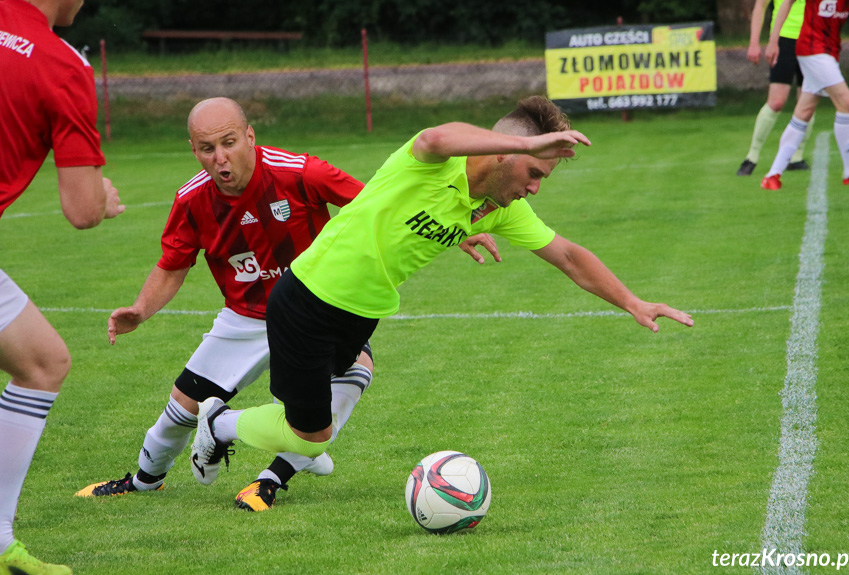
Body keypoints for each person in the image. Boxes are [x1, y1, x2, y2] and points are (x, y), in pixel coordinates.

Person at [187, 96, 694, 483]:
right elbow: (434, 135)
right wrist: (526, 144)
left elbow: (567, 255)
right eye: (535, 171)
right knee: (312, 437)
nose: (536, 186)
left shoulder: (500, 207)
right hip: (309, 300)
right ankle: (220, 423)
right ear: (504, 152)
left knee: (327, 408)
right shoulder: (432, 161)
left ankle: (280, 432)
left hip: (363, 312)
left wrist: (633, 302)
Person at [74, 97, 498, 513]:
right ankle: (144, 481)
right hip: (245, 317)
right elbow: (173, 265)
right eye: (207, 149)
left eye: (229, 142)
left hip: (314, 307)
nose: (220, 158)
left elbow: (379, 207)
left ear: (250, 136)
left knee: (354, 376)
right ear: (194, 151)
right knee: (181, 411)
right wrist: (140, 310)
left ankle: (271, 479)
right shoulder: (192, 199)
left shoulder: (301, 173)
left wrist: (452, 229)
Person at [0, 0, 125, 572]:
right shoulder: (62, 66)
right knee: (43, 363)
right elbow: (81, 209)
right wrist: (103, 196)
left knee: (42, 359)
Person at [761, 0, 849, 189]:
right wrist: (774, 41)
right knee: (847, 103)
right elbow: (786, 3)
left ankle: (772, 175)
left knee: (804, 112)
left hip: (830, 51)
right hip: (812, 49)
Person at [737, 0, 814, 176]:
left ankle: (796, 157)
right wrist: (754, 42)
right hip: (784, 39)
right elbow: (760, 7)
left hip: (811, 39)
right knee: (776, 102)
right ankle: (752, 156)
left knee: (807, 101)